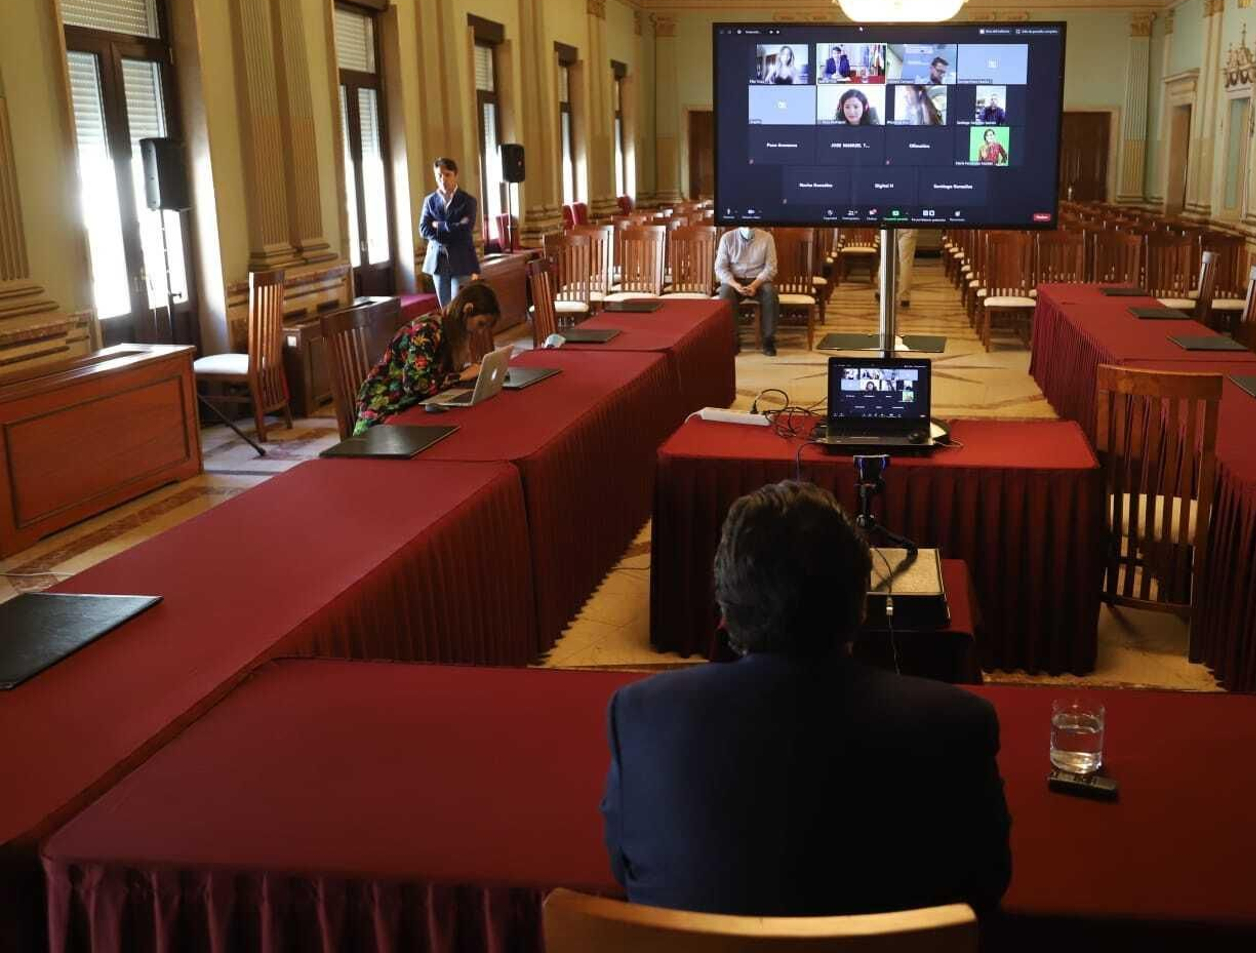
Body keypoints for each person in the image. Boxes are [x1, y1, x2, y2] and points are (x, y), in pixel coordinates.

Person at [601, 481, 1011, 916]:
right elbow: (987, 883)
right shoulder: (959, 725)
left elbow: (624, 869)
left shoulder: (639, 716)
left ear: (725, 605)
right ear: (860, 606)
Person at [349, 282, 501, 435]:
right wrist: (461, 376)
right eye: (481, 324)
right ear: (467, 309)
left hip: (411, 403)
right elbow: (415, 384)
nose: (480, 332)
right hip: (385, 409)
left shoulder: (451, 328)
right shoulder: (427, 330)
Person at [419, 157, 480, 308]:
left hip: (461, 260)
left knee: (459, 308)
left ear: (455, 175)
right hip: (438, 262)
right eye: (439, 175)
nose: (443, 179)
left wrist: (439, 225)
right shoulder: (430, 201)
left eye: (447, 174)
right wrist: (453, 226)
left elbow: (465, 230)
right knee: (445, 310)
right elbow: (424, 229)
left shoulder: (468, 201)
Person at [715, 225, 779, 356]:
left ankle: (768, 340)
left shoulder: (767, 238)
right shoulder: (727, 238)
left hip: (758, 279)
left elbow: (771, 267)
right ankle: (732, 339)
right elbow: (720, 268)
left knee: (771, 294)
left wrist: (754, 285)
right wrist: (734, 284)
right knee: (725, 294)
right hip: (734, 280)